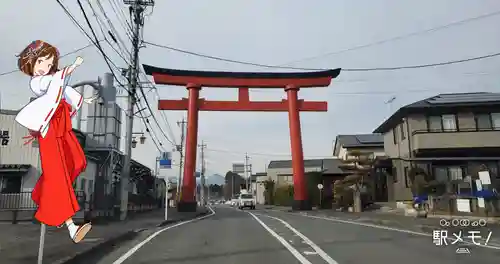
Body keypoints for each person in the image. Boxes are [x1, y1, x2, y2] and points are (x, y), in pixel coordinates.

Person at [15, 40, 96, 243]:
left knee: (78, 162)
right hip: (49, 128)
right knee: (57, 174)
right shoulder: (37, 81)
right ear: (31, 62)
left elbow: (64, 90)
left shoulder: (52, 78)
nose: (45, 66)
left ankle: (43, 196)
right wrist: (70, 69)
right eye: (41, 61)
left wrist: (81, 99)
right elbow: (52, 86)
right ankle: (71, 227)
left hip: (63, 123)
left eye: (49, 62)